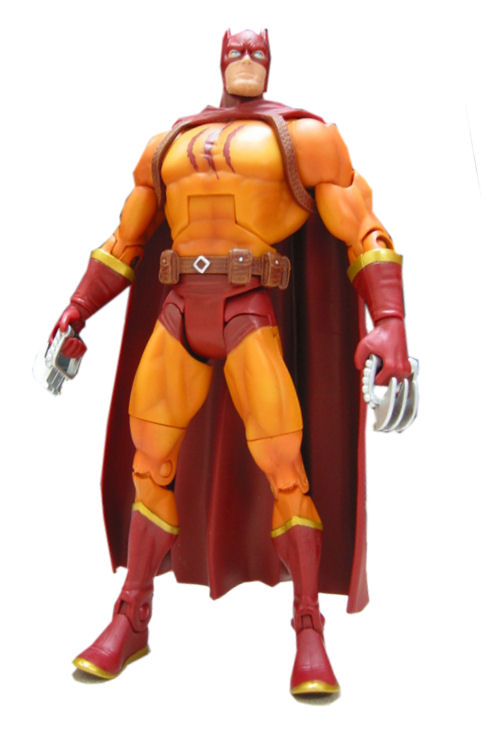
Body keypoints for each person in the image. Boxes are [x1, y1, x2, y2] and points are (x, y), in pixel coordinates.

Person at [51, 29, 411, 698]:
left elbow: (362, 226)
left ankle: (309, 628)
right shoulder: (167, 145)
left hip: (248, 310)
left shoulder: (303, 137)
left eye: (258, 52)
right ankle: (132, 617)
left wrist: (390, 320)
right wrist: (77, 309)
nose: (247, 59)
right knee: (149, 461)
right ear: (219, 60)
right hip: (179, 309)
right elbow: (126, 240)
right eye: (236, 51)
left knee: (285, 469)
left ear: (269, 61)